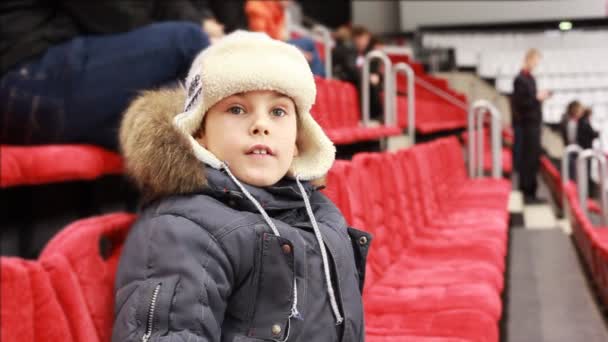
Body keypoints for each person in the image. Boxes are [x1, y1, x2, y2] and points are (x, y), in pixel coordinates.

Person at [113, 31, 370, 341]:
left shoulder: (320, 213)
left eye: (278, 112)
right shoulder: (181, 229)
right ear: (199, 133)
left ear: (299, 140)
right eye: (237, 109)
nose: (260, 125)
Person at [0, 1, 214, 151]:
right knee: (189, 40)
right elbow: (117, 19)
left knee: (161, 126)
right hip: (27, 77)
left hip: (25, 97)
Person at [511, 48, 551, 203]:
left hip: (534, 123)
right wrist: (537, 98)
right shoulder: (520, 79)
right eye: (535, 61)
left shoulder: (531, 79)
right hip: (527, 125)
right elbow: (521, 104)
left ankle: (532, 191)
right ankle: (526, 192)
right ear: (528, 59)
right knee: (527, 159)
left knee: (534, 159)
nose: (536, 64)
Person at [245, 0, 325, 77]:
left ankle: (320, 81)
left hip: (277, 43)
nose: (291, 2)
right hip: (267, 47)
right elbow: (262, 40)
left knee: (309, 44)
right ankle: (319, 82)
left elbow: (282, 37)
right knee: (312, 55)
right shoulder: (257, 5)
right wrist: (295, 50)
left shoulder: (279, 9)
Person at [576, 107, 600, 198]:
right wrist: (597, 133)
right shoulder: (585, 122)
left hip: (584, 149)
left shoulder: (581, 121)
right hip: (586, 150)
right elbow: (591, 134)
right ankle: (588, 194)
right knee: (586, 172)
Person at [560, 100, 584, 180]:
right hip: (573, 152)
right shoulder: (572, 123)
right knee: (574, 175)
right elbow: (572, 138)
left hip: (572, 151)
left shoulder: (569, 121)